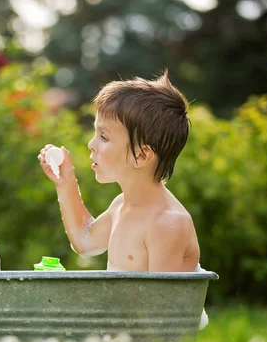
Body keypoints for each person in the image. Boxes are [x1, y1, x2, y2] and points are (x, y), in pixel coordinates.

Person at [38, 71, 200, 272]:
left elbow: (162, 302)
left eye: (104, 137)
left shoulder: (167, 224)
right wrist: (66, 183)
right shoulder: (121, 206)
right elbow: (84, 241)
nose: (91, 144)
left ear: (140, 156)